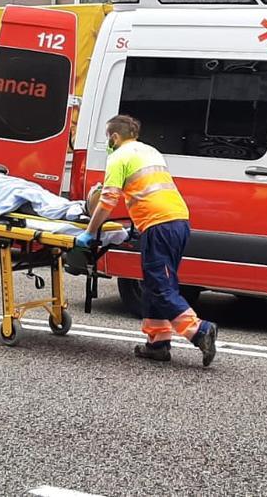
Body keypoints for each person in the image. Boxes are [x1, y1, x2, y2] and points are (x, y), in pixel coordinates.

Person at [77, 115, 218, 367]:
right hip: (178, 221)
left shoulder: (118, 157)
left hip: (159, 224)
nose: (109, 142)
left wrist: (90, 232)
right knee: (156, 283)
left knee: (160, 287)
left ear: (114, 137)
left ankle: (199, 331)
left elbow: (107, 201)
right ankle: (157, 344)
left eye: (109, 137)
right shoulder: (150, 151)